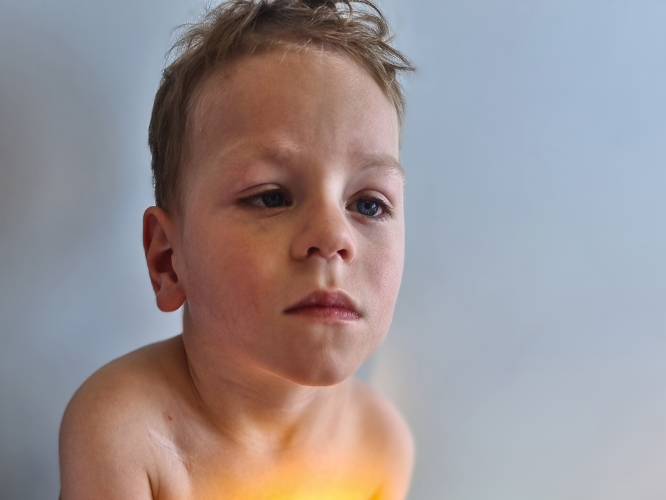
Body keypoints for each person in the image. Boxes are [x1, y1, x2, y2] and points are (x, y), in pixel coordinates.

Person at [59, 0, 415, 498]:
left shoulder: (380, 442)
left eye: (368, 205)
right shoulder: (127, 431)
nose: (334, 237)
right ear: (168, 261)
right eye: (271, 197)